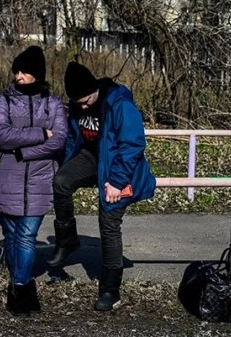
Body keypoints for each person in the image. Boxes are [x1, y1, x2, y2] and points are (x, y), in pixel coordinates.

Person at [46, 61, 156, 311]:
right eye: (78, 103)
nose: (83, 107)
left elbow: (133, 145)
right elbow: (75, 138)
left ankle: (110, 290)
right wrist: (66, 167)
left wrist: (116, 183)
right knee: (61, 181)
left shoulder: (120, 105)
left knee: (108, 222)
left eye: (86, 101)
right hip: (92, 158)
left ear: (94, 89)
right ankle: (67, 241)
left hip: (118, 165)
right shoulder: (77, 105)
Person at [0, 45, 68, 316]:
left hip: (40, 180)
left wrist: (23, 151)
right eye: (16, 70)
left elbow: (59, 140)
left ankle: (20, 287)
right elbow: (1, 135)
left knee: (26, 236)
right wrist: (39, 134)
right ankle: (18, 283)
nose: (18, 76)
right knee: (11, 234)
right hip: (6, 180)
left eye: (24, 71)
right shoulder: (3, 101)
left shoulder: (54, 103)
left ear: (37, 74)